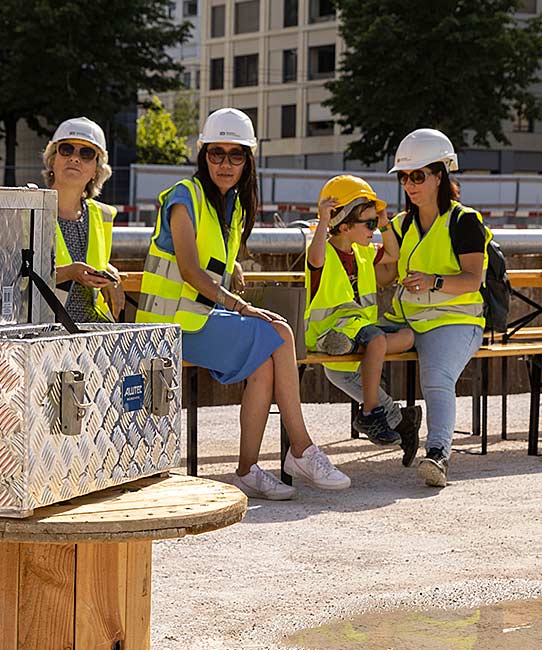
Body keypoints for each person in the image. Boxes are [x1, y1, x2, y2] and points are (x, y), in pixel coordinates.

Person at [136, 108, 351, 500]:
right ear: (203, 155)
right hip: (168, 327)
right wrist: (240, 305)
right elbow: (188, 270)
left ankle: (248, 470)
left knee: (265, 366)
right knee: (280, 332)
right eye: (216, 153)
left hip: (197, 319)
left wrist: (230, 264)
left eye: (236, 155)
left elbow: (209, 256)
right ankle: (300, 449)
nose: (225, 163)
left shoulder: (231, 207)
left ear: (247, 160)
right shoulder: (184, 197)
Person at [377, 129, 489, 488]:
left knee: (437, 378)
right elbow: (383, 277)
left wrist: (433, 281)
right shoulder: (399, 224)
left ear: (440, 176)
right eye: (405, 177)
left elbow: (473, 280)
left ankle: (438, 453)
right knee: (342, 361)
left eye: (418, 175)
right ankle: (397, 419)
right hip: (408, 322)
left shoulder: (465, 220)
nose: (410, 184)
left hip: (456, 322)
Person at [303, 175, 422, 464]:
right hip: (329, 329)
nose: (373, 230)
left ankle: (351, 349)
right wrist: (322, 220)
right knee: (376, 340)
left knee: (408, 336)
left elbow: (393, 254)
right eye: (368, 224)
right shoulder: (324, 252)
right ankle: (370, 412)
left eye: (374, 224)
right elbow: (315, 257)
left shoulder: (364, 253)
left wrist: (384, 223)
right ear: (344, 226)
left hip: (358, 329)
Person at [44, 117, 124, 323]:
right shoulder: (30, 210)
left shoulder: (102, 215)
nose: (75, 158)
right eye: (66, 149)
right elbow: (14, 279)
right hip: (45, 331)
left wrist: (110, 276)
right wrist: (69, 273)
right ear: (52, 160)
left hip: (91, 333)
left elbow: (99, 261)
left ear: (96, 171)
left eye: (86, 153)